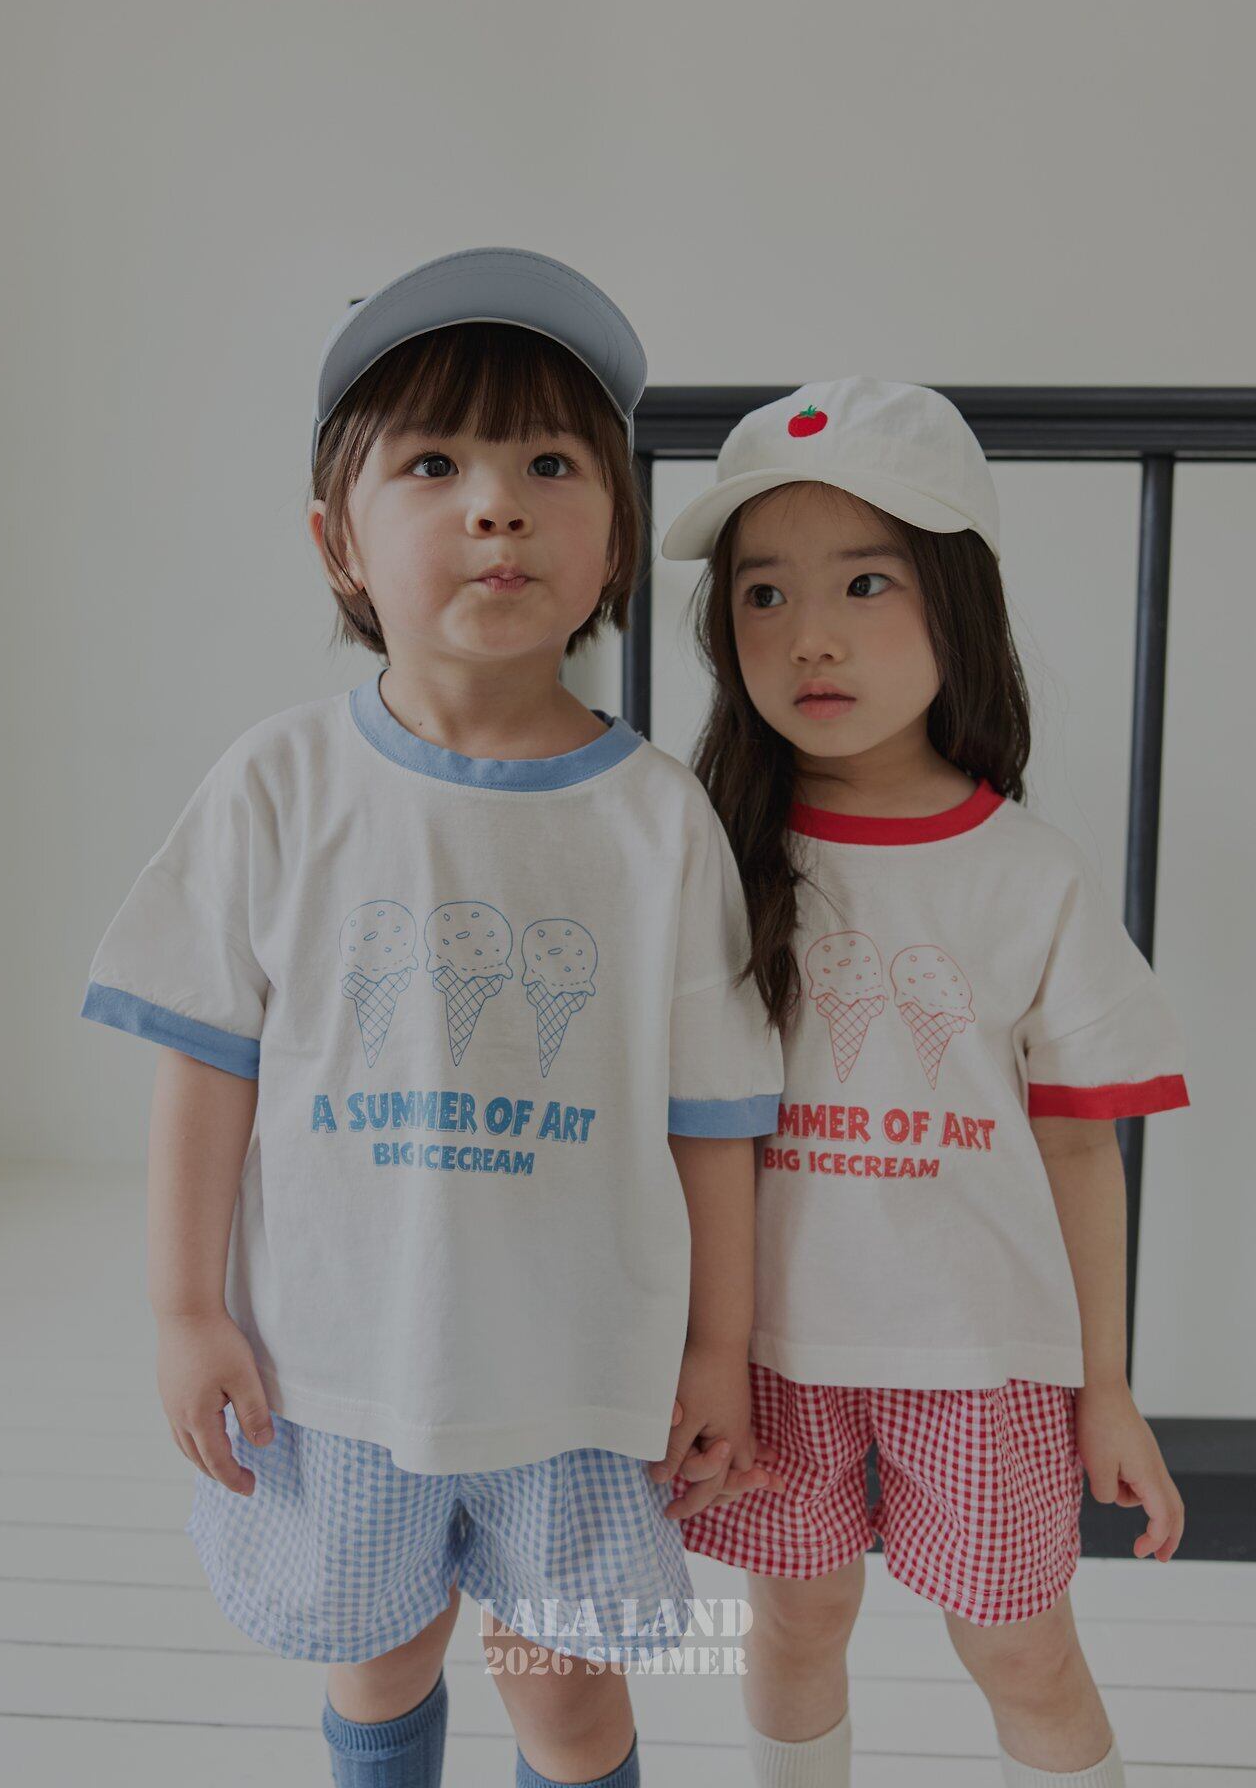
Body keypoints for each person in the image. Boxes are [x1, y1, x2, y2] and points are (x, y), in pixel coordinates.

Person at [81, 247, 784, 1788]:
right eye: (434, 465)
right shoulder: (278, 787)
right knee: (381, 1657)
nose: (497, 506)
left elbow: (713, 1116)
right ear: (337, 540)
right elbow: (207, 1068)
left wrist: (719, 1348)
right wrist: (186, 1310)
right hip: (339, 1367)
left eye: (550, 465)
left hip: (582, 1381)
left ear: (617, 534)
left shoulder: (657, 822)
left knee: (568, 1701)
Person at [655, 377, 1190, 1788]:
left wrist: (1107, 1388)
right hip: (771, 1353)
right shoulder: (708, 856)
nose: (809, 635)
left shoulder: (1030, 875)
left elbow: (1080, 1149)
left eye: (865, 582)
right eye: (762, 594)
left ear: (960, 605)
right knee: (796, 1622)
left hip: (983, 1359)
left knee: (1023, 1650)